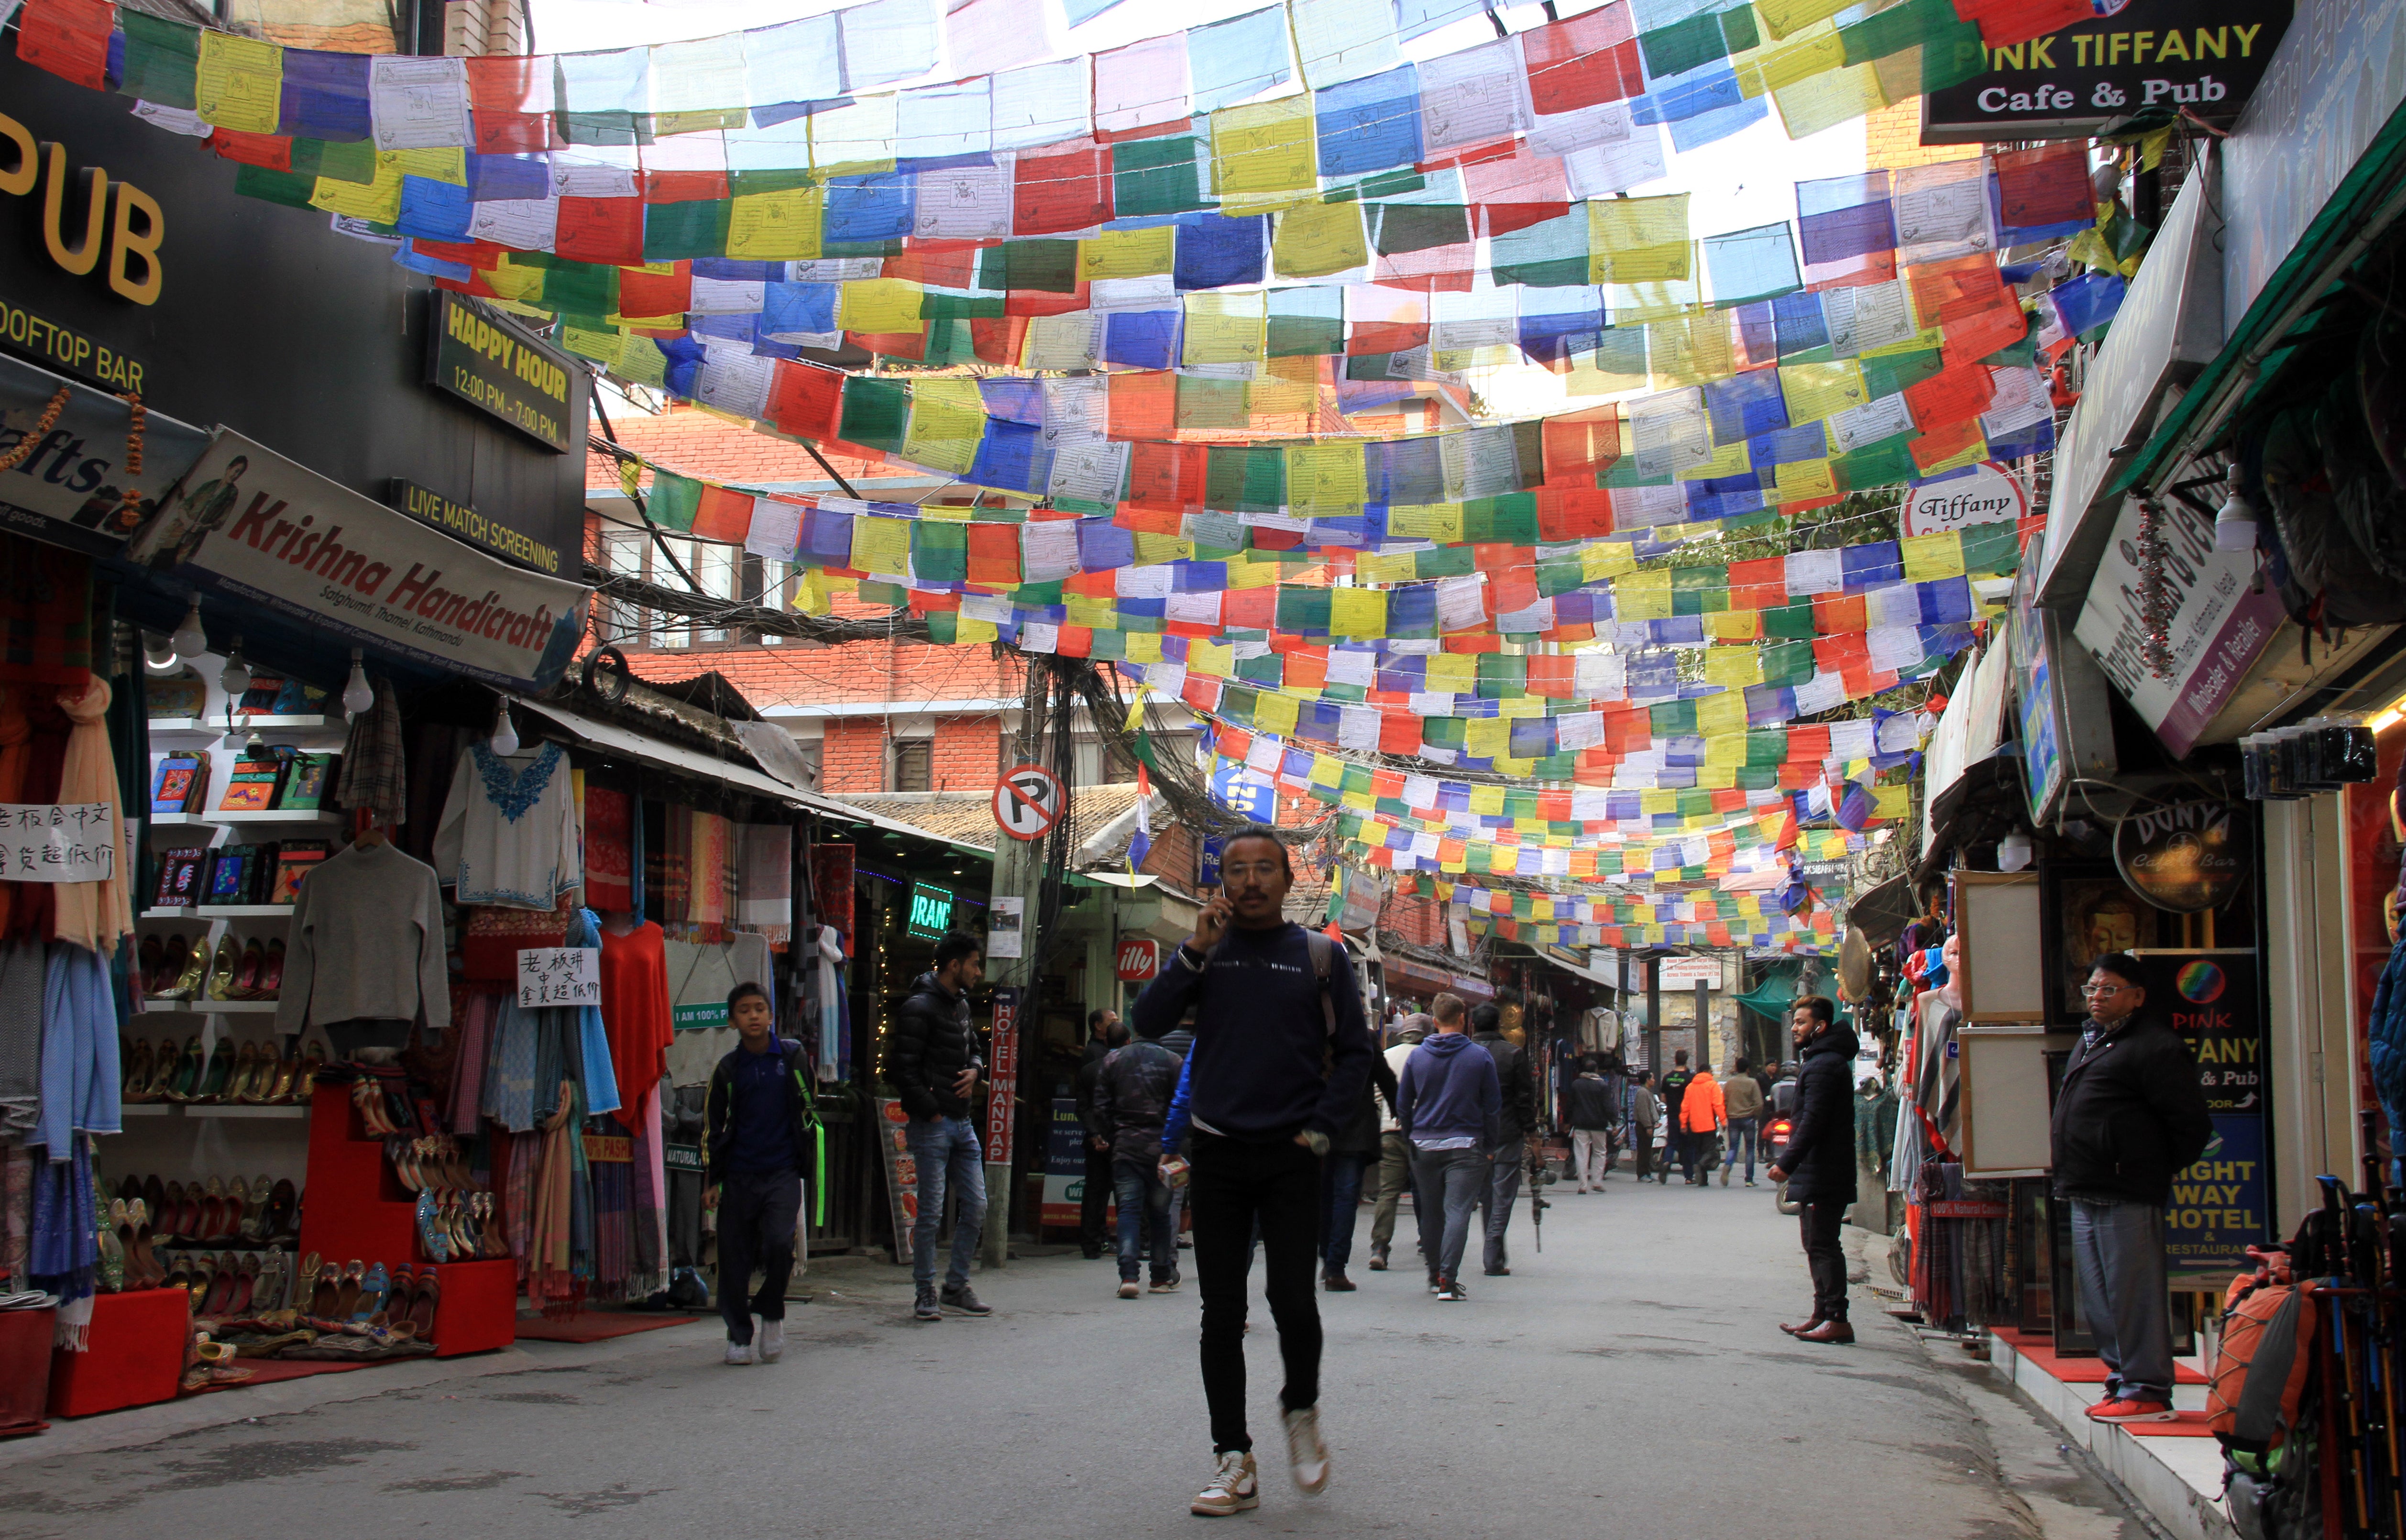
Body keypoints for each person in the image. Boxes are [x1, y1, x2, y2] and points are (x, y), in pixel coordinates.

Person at [1131, 825, 1374, 1517]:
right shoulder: (1206, 956)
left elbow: (1355, 1054)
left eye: (1263, 868)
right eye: (1236, 870)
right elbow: (1146, 1020)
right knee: (1221, 1312)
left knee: (1292, 1303)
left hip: (1292, 1156)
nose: (1249, 882)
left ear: (1287, 880)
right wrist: (1194, 949)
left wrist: (1320, 1130)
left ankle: (1300, 1409)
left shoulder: (1321, 956)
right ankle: (1231, 1457)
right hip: (1218, 1152)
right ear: (1222, 882)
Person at [2051, 951, 2213, 1422]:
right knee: (2100, 1297)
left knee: (2132, 1293)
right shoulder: (2091, 1042)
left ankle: (2148, 1388)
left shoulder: (2156, 1046)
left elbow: (2190, 1124)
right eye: (2092, 989)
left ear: (2137, 996)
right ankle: (2122, 1379)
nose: (2097, 998)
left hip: (2127, 1189)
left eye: (2109, 989)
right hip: (2085, 1185)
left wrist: (2145, 1166)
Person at [702, 982, 814, 1365]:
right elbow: (713, 1129)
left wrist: (807, 1162)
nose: (753, 1016)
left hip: (782, 1172)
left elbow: (807, 1111)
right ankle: (738, 1335)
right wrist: (712, 1180)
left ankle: (771, 1313)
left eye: (760, 1009)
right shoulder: (728, 1070)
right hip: (738, 1176)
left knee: (781, 1244)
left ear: (771, 1015)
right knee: (733, 1259)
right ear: (733, 1020)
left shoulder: (792, 1057)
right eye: (745, 1010)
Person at [888, 934, 992, 1323]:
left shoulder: (961, 1005)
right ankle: (925, 1291)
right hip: (933, 1124)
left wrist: (976, 1070)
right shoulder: (919, 1007)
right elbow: (902, 1069)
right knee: (931, 1213)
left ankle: (955, 1285)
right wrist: (931, 1111)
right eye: (974, 964)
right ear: (954, 965)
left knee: (977, 1205)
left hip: (962, 1123)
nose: (978, 972)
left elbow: (975, 1049)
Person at [1394, 990, 1499, 1302]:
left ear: (1435, 1022)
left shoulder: (1418, 1057)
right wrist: (1490, 1145)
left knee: (1430, 1213)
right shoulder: (1480, 1057)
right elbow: (1492, 1107)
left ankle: (1432, 1273)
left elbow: (1403, 1105)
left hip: (1423, 1144)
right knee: (1457, 1211)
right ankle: (1446, 1280)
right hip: (1466, 1144)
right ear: (1463, 1020)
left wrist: (1411, 1137)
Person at [1769, 997, 1858, 1344]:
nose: (1795, 1029)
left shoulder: (1824, 1064)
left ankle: (1837, 1318)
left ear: (1819, 1027)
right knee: (1814, 1243)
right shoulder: (1820, 1060)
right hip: (1820, 1168)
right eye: (1795, 1022)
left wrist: (1785, 1163)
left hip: (1825, 1169)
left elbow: (1812, 1121)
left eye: (1801, 1023)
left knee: (1823, 1244)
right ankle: (1821, 1314)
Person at [1092, 1019, 1183, 1298]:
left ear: (1136, 1030)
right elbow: (1183, 1106)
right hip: (1162, 1151)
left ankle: (1129, 1276)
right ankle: (1160, 1276)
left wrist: (1114, 1134)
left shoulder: (1113, 1060)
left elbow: (1100, 1106)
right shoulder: (1173, 1061)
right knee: (1160, 1215)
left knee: (1129, 1212)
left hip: (1126, 1148)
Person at [1321, 1027, 1400, 1291]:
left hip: (1314, 1125)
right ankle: (1334, 1268)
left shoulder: (1305, 1028)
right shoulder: (1362, 1036)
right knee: (1345, 1198)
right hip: (1353, 1127)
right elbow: (1384, 1075)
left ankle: (1325, 1255)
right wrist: (1398, 1108)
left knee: (1320, 1195)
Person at [1469, 1002, 1532, 1276]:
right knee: (1502, 1196)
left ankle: (1494, 1253)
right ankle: (1493, 1251)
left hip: (1474, 1134)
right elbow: (1524, 1099)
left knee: (1487, 1195)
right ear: (1499, 1025)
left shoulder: (1464, 1053)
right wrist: (1531, 1131)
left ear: (1473, 1025)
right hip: (1507, 1132)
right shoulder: (1513, 1054)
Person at [1367, 1011, 1430, 1271]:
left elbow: (1377, 1095)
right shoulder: (1430, 1056)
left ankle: (1380, 1247)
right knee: (1425, 1189)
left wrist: (1385, 1117)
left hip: (1389, 1130)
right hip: (1422, 1132)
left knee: (1389, 1192)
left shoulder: (1388, 1055)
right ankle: (1428, 1239)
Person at [1077, 1008, 1126, 1261]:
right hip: (1107, 1136)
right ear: (1098, 1027)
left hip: (1105, 1135)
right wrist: (1096, 1132)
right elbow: (1090, 1102)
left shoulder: (1105, 1059)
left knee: (1101, 1190)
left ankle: (1097, 1240)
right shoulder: (1093, 1057)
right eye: (1112, 1021)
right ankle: (1095, 1240)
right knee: (1102, 1190)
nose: (1116, 1024)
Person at [1563, 1056, 1617, 1193]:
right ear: (1596, 1070)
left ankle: (1583, 1185)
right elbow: (1608, 1106)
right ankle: (1597, 1182)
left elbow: (1570, 1105)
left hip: (1581, 1124)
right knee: (1599, 1152)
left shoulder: (1576, 1084)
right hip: (1599, 1125)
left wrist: (1567, 1121)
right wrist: (1614, 1122)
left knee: (1582, 1154)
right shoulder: (1602, 1085)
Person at [1721, 1056, 1766, 1188]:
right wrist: (1756, 1115)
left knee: (1733, 1147)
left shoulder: (1730, 1083)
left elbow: (1725, 1101)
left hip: (1733, 1118)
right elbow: (1759, 1104)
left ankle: (1728, 1164)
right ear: (1748, 1069)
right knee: (1750, 1149)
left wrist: (1728, 1114)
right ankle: (1749, 1179)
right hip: (1748, 1119)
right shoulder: (1752, 1083)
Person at [1678, 1064, 1725, 1185]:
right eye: (1711, 1072)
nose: (1712, 1074)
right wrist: (1723, 1121)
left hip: (1694, 1125)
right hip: (1709, 1124)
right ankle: (1700, 1165)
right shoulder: (1713, 1085)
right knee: (1712, 1151)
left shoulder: (1690, 1087)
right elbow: (1718, 1105)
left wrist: (1684, 1124)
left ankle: (1703, 1181)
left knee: (1699, 1152)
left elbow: (1685, 1108)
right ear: (1706, 1071)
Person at [1657, 1050, 1694, 1185]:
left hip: (1672, 1116)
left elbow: (1663, 1098)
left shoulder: (1667, 1078)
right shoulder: (1689, 1078)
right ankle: (1689, 1177)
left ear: (1675, 1060)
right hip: (1686, 1117)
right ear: (1686, 1061)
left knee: (1672, 1143)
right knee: (1688, 1146)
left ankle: (1667, 1161)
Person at [1623, 1069, 1661, 1180]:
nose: (1654, 1080)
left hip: (1648, 1125)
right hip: (1643, 1126)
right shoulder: (1642, 1093)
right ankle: (1642, 1173)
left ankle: (1647, 1172)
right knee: (1643, 1151)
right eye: (1652, 1078)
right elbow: (1643, 1111)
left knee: (1647, 1150)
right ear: (1647, 1080)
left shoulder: (1647, 1092)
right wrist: (1648, 1126)